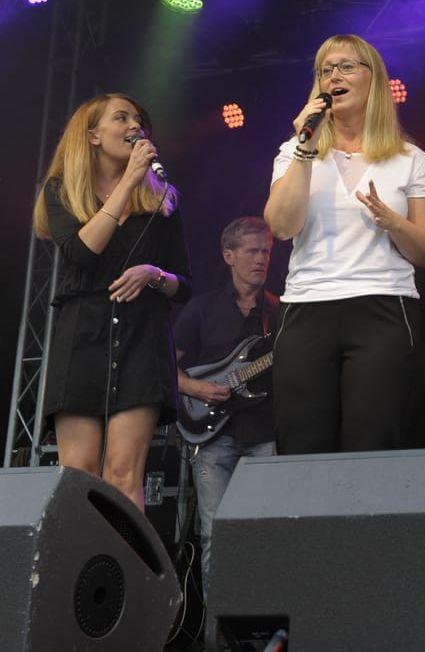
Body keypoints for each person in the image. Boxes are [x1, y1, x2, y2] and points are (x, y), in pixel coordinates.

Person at [263, 35, 425, 455]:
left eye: (346, 66)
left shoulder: (409, 158)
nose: (334, 76)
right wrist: (306, 145)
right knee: (302, 441)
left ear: (372, 79)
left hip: (382, 306)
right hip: (307, 306)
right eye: (326, 69)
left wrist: (391, 221)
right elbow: (281, 226)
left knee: (372, 437)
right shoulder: (293, 151)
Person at [33, 92, 191, 510]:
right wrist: (128, 182)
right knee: (78, 475)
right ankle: (77, 573)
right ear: (93, 136)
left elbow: (185, 284)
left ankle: (126, 574)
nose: (133, 126)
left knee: (123, 474)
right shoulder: (62, 190)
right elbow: (83, 253)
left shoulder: (162, 199)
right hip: (81, 337)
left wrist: (155, 275)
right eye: (120, 118)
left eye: (138, 120)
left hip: (142, 339)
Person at [174, 215, 279, 581]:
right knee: (215, 535)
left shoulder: (279, 312)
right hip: (212, 437)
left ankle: (260, 625)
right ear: (229, 256)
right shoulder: (202, 308)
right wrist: (196, 388)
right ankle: (215, 633)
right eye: (252, 251)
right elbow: (164, 367)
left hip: (265, 433)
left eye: (266, 251)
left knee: (266, 533)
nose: (261, 259)